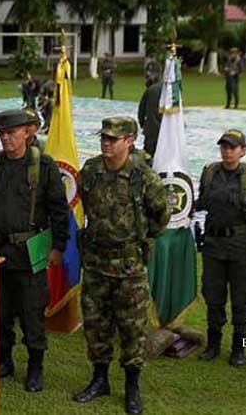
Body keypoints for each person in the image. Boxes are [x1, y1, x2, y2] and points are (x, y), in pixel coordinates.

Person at [73, 116, 169, 415]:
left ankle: (132, 387)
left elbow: (161, 216)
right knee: (96, 325)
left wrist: (136, 239)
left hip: (129, 266)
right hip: (96, 263)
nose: (105, 142)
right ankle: (100, 380)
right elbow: (86, 204)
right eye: (103, 136)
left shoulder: (143, 177)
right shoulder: (90, 171)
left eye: (112, 138)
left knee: (131, 329)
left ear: (129, 141)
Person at [0, 109, 69, 393]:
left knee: (31, 315)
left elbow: (59, 210)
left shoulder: (44, 166)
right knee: (0, 314)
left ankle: (35, 367)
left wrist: (58, 247)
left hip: (29, 253)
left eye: (11, 133)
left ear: (27, 133)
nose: (6, 138)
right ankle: (4, 361)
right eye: (2, 133)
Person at [195, 129, 246, 367]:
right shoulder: (209, 173)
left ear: (243, 150)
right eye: (224, 147)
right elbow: (202, 202)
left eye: (233, 147)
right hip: (213, 244)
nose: (227, 151)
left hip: (241, 246)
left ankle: (238, 348)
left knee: (241, 298)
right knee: (213, 296)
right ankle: (213, 344)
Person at [137, 79, 162, 160]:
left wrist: (143, 124)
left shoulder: (150, 90)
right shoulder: (172, 90)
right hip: (167, 131)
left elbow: (141, 110)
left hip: (151, 128)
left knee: (148, 156)